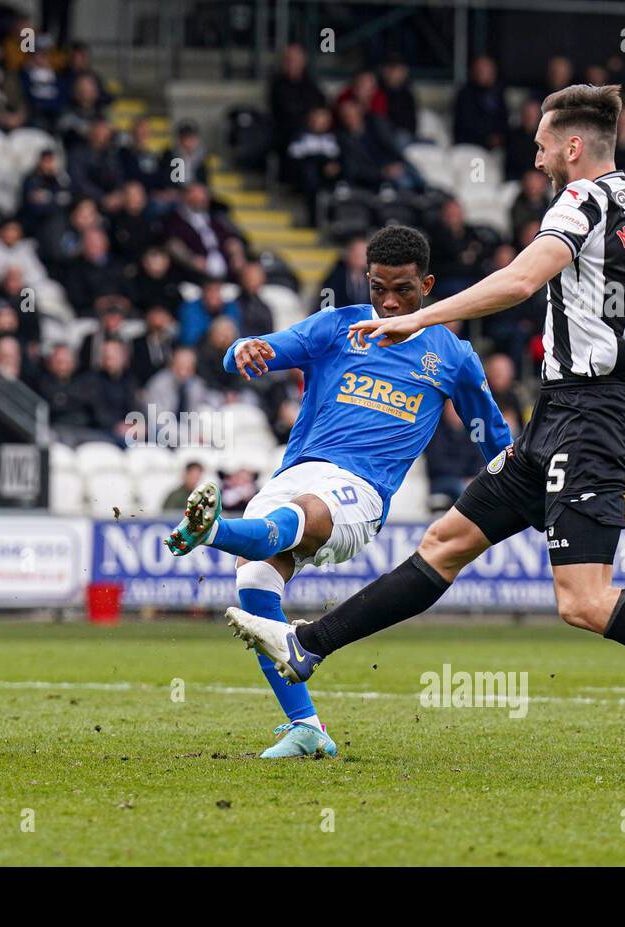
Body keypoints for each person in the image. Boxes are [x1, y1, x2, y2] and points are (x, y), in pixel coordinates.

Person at [228, 84, 625, 774]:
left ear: (573, 147)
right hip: (555, 416)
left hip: (593, 418)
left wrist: (415, 318)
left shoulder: (580, 201)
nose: (537, 152)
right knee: (447, 541)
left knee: (582, 601)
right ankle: (309, 645)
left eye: (544, 142)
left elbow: (522, 281)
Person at [167, 225, 510, 758]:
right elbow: (247, 354)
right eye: (378, 288)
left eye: (403, 290)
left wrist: (514, 486)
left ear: (429, 285)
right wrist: (245, 348)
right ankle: (307, 728)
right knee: (255, 586)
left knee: (304, 516)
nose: (389, 302)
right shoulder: (337, 327)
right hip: (297, 472)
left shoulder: (453, 355)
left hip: (361, 491)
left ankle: (212, 530)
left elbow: (489, 433)